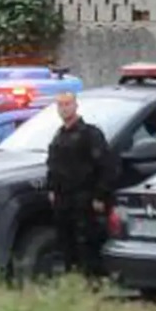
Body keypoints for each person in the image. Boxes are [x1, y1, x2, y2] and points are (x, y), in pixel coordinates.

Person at [46, 92, 117, 282]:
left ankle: (93, 285)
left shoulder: (90, 134)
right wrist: (52, 190)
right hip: (64, 202)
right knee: (67, 247)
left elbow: (106, 166)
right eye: (60, 104)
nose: (64, 108)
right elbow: (53, 166)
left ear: (76, 106)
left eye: (68, 104)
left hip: (85, 200)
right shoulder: (59, 135)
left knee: (87, 246)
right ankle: (74, 285)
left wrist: (100, 196)